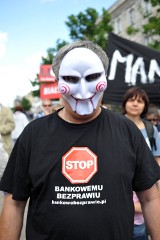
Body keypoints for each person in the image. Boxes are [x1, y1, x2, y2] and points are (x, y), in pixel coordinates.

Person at [0, 41, 160, 240]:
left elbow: (150, 198)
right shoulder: (33, 134)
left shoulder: (127, 130)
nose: (83, 91)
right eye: (71, 79)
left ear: (105, 76)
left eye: (92, 77)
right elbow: (14, 202)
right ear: (57, 81)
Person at [122, 86, 160, 239]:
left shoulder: (151, 129)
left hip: (144, 190)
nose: (135, 104)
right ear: (124, 102)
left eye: (140, 101)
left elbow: (157, 162)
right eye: (131, 100)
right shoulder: (113, 125)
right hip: (122, 186)